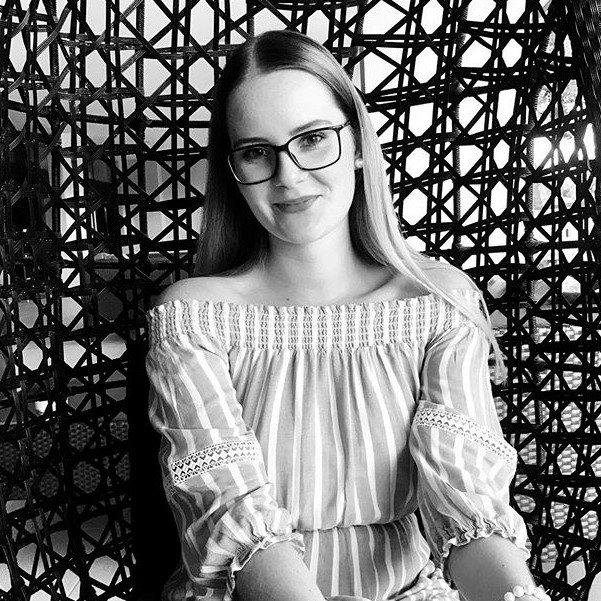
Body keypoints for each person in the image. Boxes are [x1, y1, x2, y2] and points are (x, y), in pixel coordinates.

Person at [146, 29, 550, 601]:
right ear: (232, 170)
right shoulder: (192, 318)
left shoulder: (438, 302)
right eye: (257, 151)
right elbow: (228, 511)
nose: (287, 175)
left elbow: (468, 503)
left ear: (358, 143)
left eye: (312, 139)